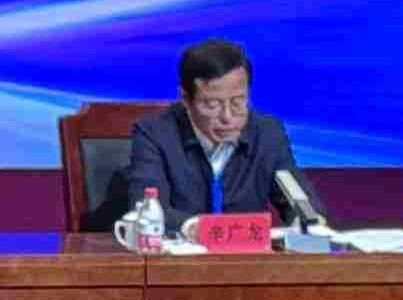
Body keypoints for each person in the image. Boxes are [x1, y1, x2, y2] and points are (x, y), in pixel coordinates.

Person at [118, 39, 317, 236]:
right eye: (212, 105)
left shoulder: (267, 133)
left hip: (248, 254)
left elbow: (302, 203)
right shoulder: (155, 134)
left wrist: (309, 222)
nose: (227, 117)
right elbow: (146, 211)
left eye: (238, 102)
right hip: (180, 252)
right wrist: (199, 229)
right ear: (186, 99)